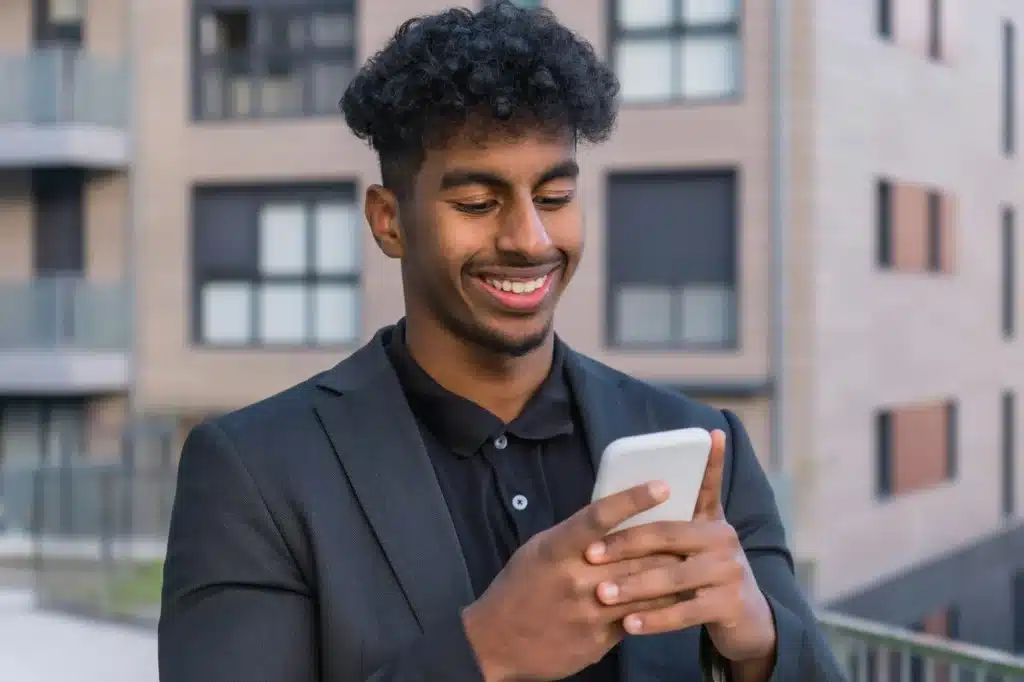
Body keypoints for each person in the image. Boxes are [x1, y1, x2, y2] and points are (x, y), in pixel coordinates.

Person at [158, 3, 845, 681]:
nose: (529, 240)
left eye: (552, 198)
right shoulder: (255, 475)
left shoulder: (702, 443)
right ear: (389, 221)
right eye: (478, 204)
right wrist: (486, 652)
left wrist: (760, 647)